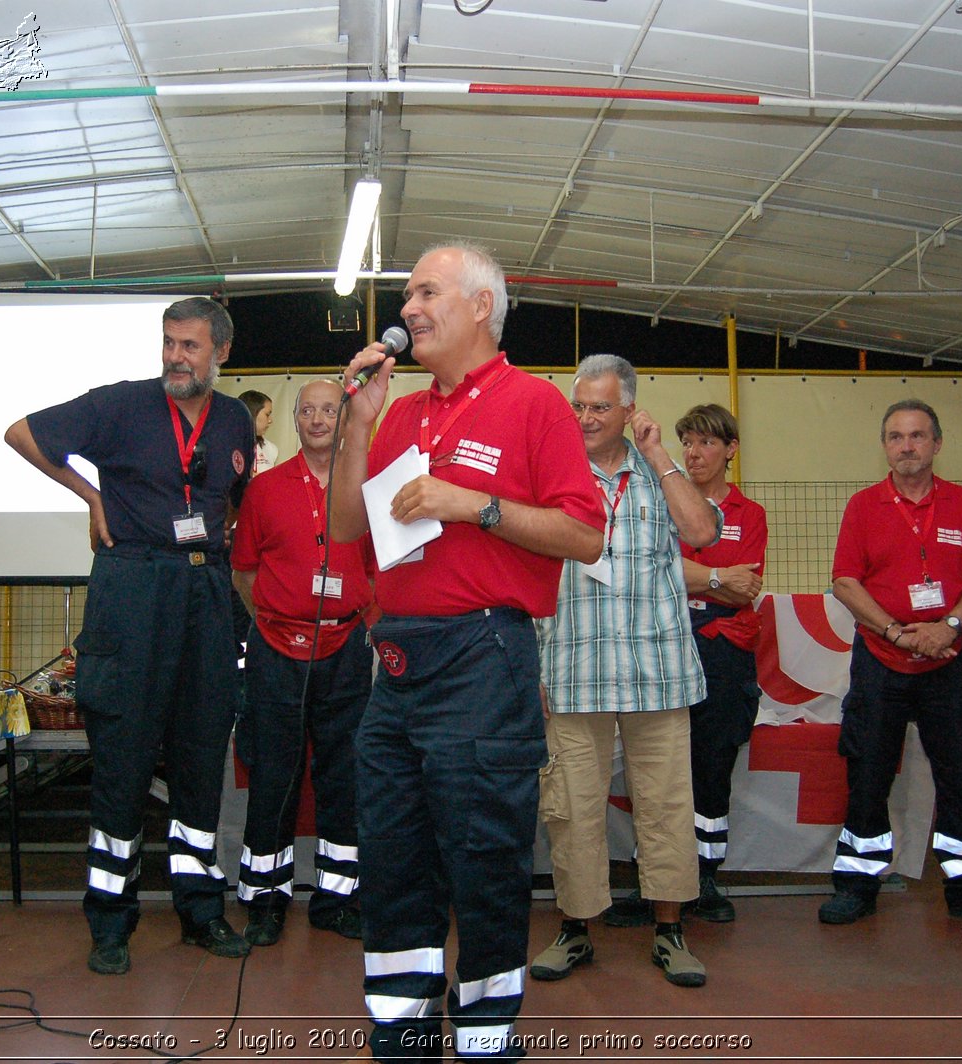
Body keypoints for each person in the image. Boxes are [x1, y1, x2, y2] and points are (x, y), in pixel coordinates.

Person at [329, 243, 605, 1062]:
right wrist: (359, 423)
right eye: (407, 294)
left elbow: (586, 533)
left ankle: (486, 1039)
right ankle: (402, 1035)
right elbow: (350, 528)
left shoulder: (534, 405)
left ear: (481, 306)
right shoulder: (405, 413)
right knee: (393, 855)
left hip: (485, 657)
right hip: (398, 664)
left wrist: (472, 504)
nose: (408, 308)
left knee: (485, 861)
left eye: (426, 292)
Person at [3, 297, 255, 974]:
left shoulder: (234, 420)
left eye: (190, 346)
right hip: (133, 585)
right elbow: (21, 433)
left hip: (204, 590)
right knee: (122, 763)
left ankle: (200, 911)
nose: (176, 355)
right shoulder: (119, 404)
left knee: (202, 759)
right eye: (169, 342)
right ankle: (110, 923)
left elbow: (230, 499)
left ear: (221, 353)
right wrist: (91, 497)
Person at [530, 355, 721, 989]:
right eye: (577, 405)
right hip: (573, 665)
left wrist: (661, 454)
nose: (584, 417)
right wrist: (533, 666)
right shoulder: (549, 471)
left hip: (656, 670)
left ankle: (670, 931)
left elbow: (703, 533)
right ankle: (576, 930)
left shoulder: (658, 471)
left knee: (667, 805)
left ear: (629, 410)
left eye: (599, 407)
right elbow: (527, 570)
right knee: (571, 808)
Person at [822, 400, 962, 930]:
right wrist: (893, 630)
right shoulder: (863, 506)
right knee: (867, 772)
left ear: (937, 442)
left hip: (948, 660)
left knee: (959, 775)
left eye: (916, 436)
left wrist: (948, 628)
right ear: (885, 446)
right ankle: (857, 886)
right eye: (895, 437)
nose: (906, 445)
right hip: (881, 661)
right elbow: (844, 580)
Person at [231, 379, 376, 946]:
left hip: (345, 651)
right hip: (276, 652)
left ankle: (337, 899)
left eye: (329, 410)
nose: (318, 419)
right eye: (307, 410)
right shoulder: (263, 491)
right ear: (295, 421)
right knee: (274, 775)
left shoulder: (365, 487)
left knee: (345, 778)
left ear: (345, 419)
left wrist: (355, 622)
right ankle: (266, 899)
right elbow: (244, 573)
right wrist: (280, 620)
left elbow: (377, 570)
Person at [676, 403, 767, 922]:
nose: (695, 452)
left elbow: (745, 587)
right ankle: (660, 882)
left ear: (730, 450)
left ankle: (705, 877)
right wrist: (714, 578)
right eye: (688, 441)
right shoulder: (665, 505)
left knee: (712, 771)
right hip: (669, 647)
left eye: (707, 442)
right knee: (663, 771)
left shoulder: (749, 515)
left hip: (723, 655)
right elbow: (655, 572)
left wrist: (689, 579)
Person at [240, 389, 278, 474]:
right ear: (252, 413)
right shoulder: (228, 446)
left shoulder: (270, 448)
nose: (270, 420)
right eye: (267, 414)